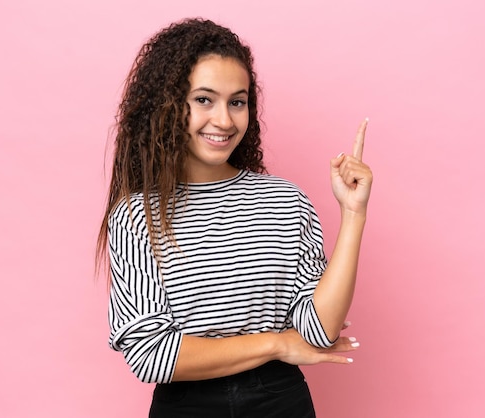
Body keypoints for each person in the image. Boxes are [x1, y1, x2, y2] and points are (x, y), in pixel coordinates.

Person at [96, 17, 373, 417]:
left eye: (237, 101)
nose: (224, 120)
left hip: (281, 401)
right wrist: (277, 344)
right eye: (204, 100)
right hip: (186, 406)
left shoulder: (284, 200)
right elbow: (150, 354)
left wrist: (353, 214)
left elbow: (319, 330)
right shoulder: (138, 215)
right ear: (170, 106)